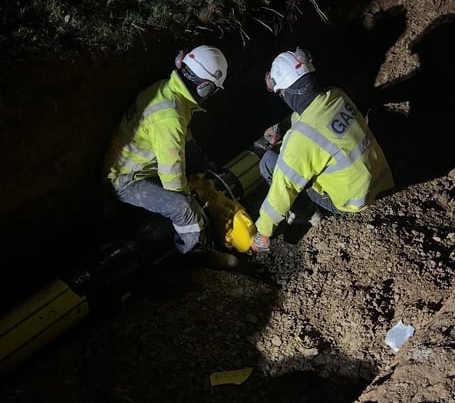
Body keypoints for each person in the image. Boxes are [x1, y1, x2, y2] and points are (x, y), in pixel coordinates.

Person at [251, 47, 394, 253]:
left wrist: (262, 235)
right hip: (379, 177)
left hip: (351, 202)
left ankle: (307, 214)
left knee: (269, 162)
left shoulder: (301, 139)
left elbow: (282, 189)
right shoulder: (336, 95)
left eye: (281, 93)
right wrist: (282, 127)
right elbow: (313, 115)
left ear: (287, 92)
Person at [104, 45, 228, 255]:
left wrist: (205, 167)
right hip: (126, 182)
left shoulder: (169, 91)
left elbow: (184, 140)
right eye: (212, 90)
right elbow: (172, 176)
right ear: (204, 88)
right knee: (184, 209)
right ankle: (197, 254)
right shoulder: (170, 117)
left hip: (136, 169)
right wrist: (192, 203)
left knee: (185, 196)